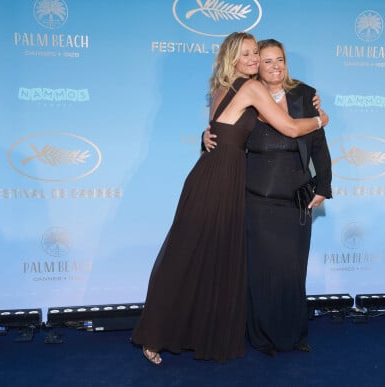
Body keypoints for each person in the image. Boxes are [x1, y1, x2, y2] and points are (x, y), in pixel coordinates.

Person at [130, 32, 329, 365]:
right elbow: (291, 129)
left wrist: (205, 136)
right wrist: (322, 119)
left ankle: (189, 331)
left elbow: (226, 129)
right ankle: (154, 334)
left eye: (256, 54)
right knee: (187, 256)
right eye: (246, 54)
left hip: (214, 174)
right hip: (219, 179)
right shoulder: (250, 88)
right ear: (232, 58)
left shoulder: (222, 88)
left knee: (201, 258)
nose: (253, 59)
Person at [203, 38, 332, 356]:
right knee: (260, 273)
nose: (275, 66)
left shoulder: (304, 94)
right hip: (255, 198)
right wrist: (204, 136)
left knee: (292, 269)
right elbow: (226, 130)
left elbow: (318, 145)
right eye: (267, 60)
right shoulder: (247, 92)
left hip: (296, 199)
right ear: (256, 64)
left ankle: (294, 335)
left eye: (280, 60)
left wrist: (323, 185)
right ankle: (262, 338)